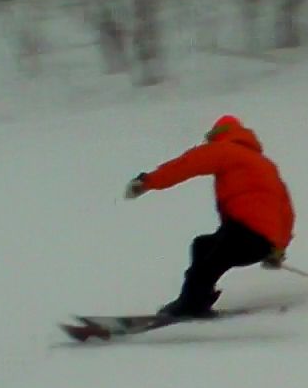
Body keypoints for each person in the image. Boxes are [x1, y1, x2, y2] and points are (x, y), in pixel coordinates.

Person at [124, 115, 294, 318]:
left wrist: (148, 181)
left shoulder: (226, 149)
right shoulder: (265, 164)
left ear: (218, 134)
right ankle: (197, 299)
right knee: (203, 246)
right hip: (259, 242)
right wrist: (276, 249)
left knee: (207, 263)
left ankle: (191, 305)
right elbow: (286, 210)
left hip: (244, 232)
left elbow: (188, 164)